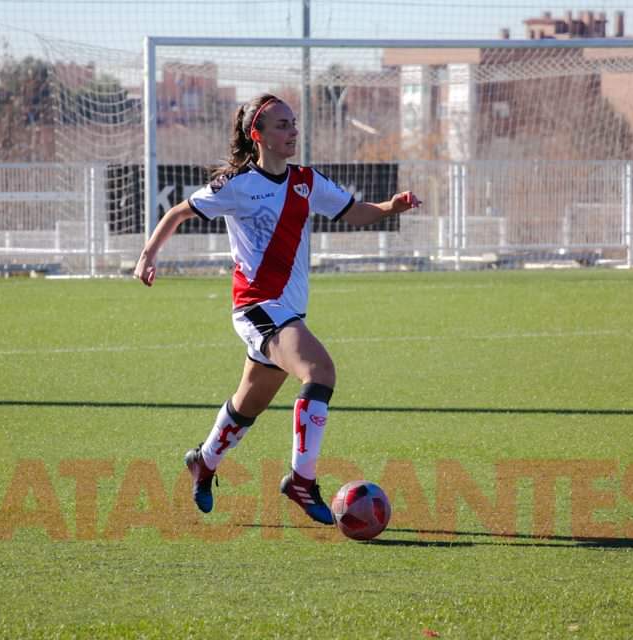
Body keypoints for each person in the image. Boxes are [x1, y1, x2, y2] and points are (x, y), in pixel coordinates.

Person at [134, 93, 421, 525]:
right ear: (258, 135)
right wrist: (147, 255)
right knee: (320, 371)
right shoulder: (236, 185)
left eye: (293, 123)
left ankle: (204, 461)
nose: (293, 132)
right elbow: (178, 212)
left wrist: (388, 208)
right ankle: (301, 482)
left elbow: (350, 212)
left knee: (247, 405)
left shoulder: (306, 180)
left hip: (288, 311)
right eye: (283, 125)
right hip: (257, 308)